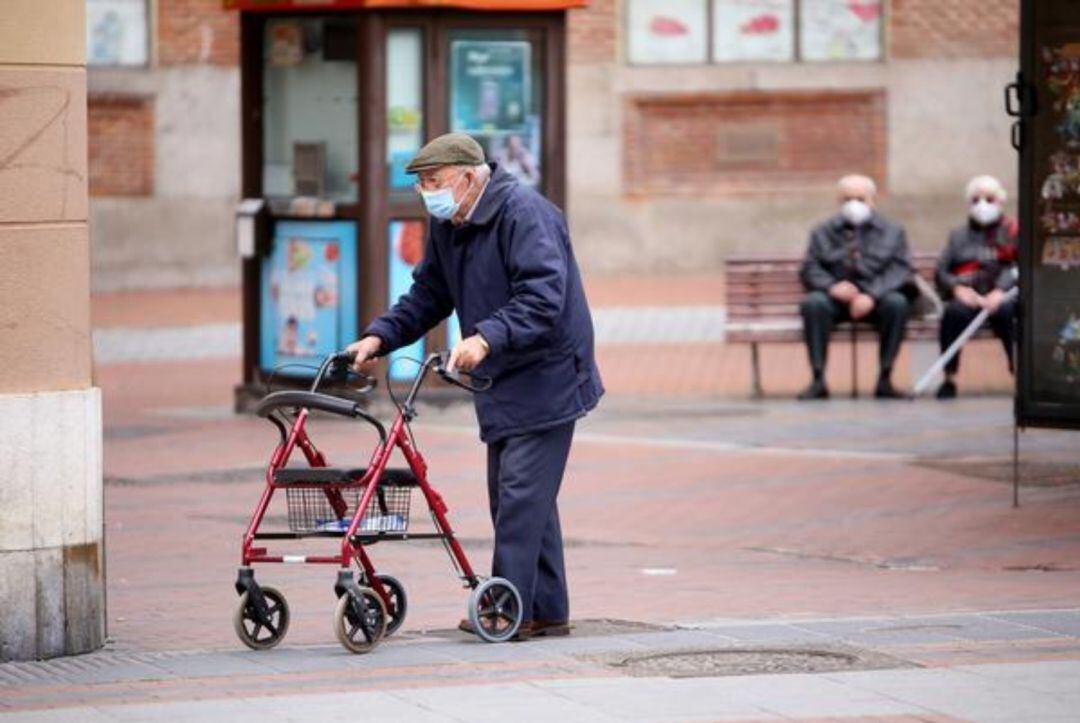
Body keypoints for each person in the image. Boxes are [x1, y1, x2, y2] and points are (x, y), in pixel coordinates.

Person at [346, 133, 603, 640]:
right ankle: (545, 608)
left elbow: (543, 297)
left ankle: (506, 609)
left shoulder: (524, 214)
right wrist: (380, 337)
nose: (427, 193)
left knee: (517, 493)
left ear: (468, 177)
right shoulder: (452, 223)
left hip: (548, 372)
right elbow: (428, 295)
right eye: (421, 184)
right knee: (527, 498)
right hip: (503, 375)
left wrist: (486, 337)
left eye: (433, 182)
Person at [798, 174, 914, 400]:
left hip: (877, 299)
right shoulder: (822, 231)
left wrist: (872, 294)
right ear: (839, 201)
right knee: (813, 304)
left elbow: (900, 268)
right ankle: (818, 379)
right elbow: (809, 268)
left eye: (861, 198)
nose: (854, 204)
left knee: (897, 304)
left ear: (872, 200)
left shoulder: (892, 231)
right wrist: (832, 287)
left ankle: (885, 378)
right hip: (836, 300)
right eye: (847, 199)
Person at [934, 175, 1018, 399]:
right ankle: (949, 377)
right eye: (976, 199)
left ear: (1000, 201)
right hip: (969, 297)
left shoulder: (1012, 231)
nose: (982, 204)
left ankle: (1019, 373)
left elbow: (1021, 266)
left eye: (989, 199)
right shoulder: (958, 235)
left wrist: (1000, 291)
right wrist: (956, 289)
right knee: (953, 313)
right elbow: (942, 270)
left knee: (1010, 313)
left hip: (1003, 297)